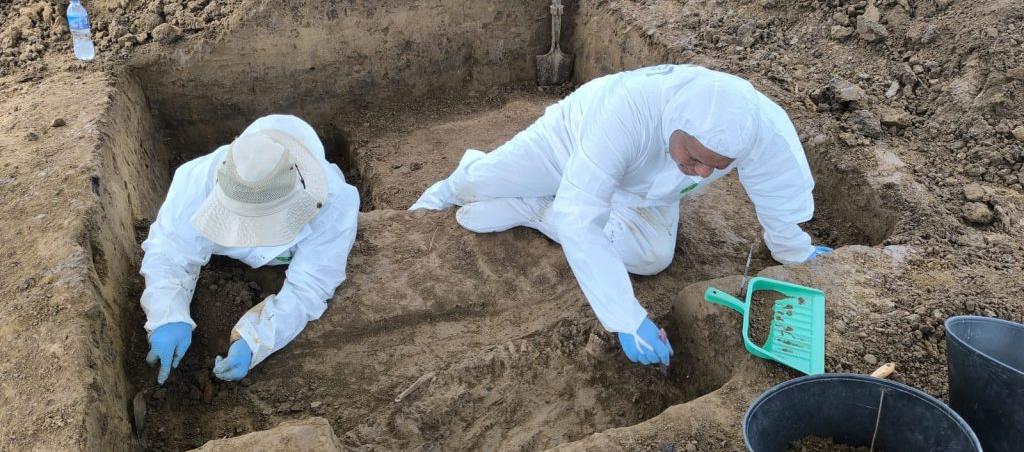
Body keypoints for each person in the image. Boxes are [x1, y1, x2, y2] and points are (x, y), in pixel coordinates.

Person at [409, 65, 832, 367]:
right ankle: (439, 195)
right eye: (696, 157)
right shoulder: (625, 114)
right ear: (675, 127)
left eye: (717, 165)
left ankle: (535, 208)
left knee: (651, 257)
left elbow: (778, 189)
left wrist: (794, 250)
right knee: (482, 182)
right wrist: (626, 318)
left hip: (648, 187)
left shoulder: (758, 126)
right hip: (567, 145)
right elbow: (580, 218)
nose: (704, 172)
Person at [140, 115, 359, 384]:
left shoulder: (334, 203)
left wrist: (256, 340)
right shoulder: (196, 181)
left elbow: (310, 286)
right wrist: (167, 315)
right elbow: (170, 248)